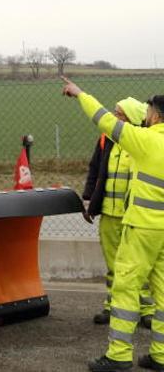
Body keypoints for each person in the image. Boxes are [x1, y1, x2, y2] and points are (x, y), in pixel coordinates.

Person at [60, 77, 164, 372]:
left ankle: (119, 355)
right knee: (162, 291)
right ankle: (160, 355)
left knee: (125, 288)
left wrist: (80, 93)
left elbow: (103, 119)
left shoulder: (145, 140)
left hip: (141, 228)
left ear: (155, 115)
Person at [82, 97, 154, 328]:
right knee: (113, 265)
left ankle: (146, 310)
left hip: (134, 215)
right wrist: (89, 200)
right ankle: (112, 306)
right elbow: (95, 170)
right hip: (109, 214)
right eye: (114, 113)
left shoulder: (142, 142)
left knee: (138, 266)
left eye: (120, 114)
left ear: (132, 118)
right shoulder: (106, 140)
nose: (114, 118)